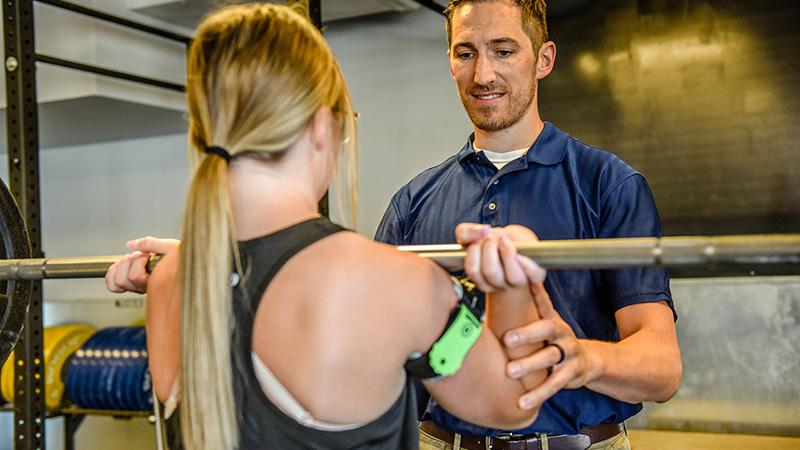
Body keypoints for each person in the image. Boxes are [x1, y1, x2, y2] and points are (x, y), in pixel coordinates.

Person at [105, 4, 555, 450]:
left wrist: (203, 258)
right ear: (323, 126)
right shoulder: (393, 281)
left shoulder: (170, 278)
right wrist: (511, 280)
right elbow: (514, 403)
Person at [373, 0, 683, 449]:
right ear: (451, 62)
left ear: (543, 59)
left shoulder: (608, 185)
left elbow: (663, 368)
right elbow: (378, 355)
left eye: (503, 51)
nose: (483, 75)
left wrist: (581, 358)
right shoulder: (412, 203)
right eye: (466, 53)